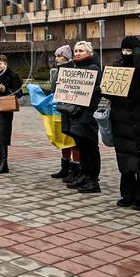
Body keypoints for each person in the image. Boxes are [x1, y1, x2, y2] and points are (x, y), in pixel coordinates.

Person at [105, 37, 140, 210]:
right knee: (125, 155)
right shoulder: (117, 65)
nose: (126, 53)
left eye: (130, 50)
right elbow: (110, 89)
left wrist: (138, 54)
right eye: (124, 50)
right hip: (120, 118)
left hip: (139, 118)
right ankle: (128, 194)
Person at [61, 41, 103, 193]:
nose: (77, 53)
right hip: (75, 113)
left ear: (90, 53)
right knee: (82, 147)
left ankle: (92, 179)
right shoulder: (74, 68)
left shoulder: (94, 69)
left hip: (86, 114)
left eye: (81, 51)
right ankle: (83, 175)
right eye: (75, 51)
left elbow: (96, 92)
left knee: (90, 147)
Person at [49, 45, 80, 180]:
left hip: (72, 109)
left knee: (73, 140)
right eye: (56, 56)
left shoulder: (73, 70)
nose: (57, 58)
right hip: (60, 109)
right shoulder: (56, 71)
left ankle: (75, 168)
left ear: (67, 57)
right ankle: (65, 167)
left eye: (60, 56)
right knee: (63, 138)